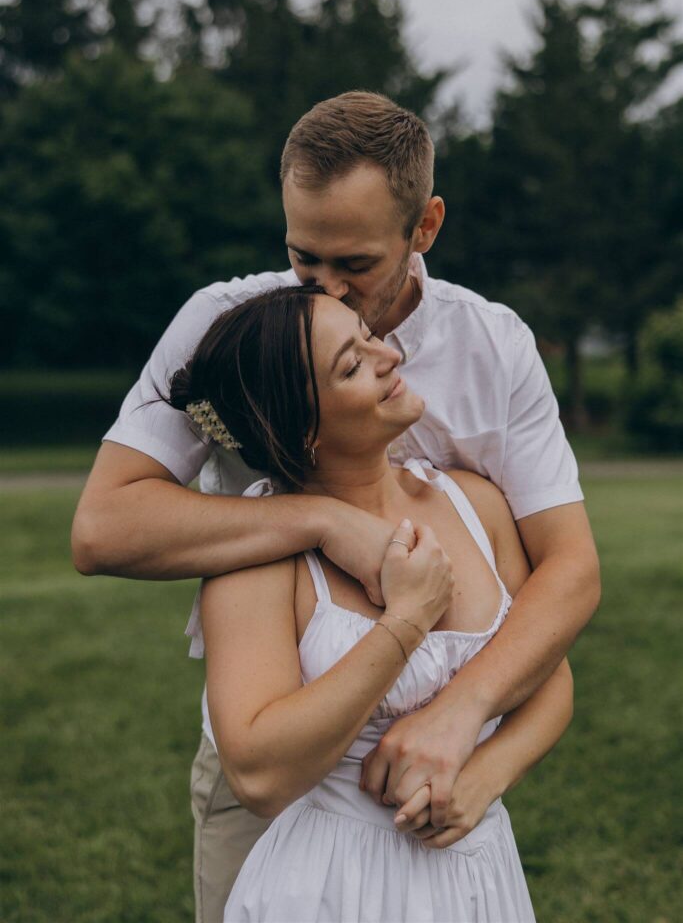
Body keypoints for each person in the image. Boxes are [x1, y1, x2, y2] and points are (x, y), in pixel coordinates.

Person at [71, 92, 599, 923]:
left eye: (351, 263)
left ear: (423, 227)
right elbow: (103, 528)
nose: (325, 288)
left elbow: (567, 573)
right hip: (278, 777)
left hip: (447, 782)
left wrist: (467, 734)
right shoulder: (232, 331)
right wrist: (321, 522)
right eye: (301, 256)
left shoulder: (493, 347)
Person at [171, 284, 572, 922]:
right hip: (333, 885)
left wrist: (485, 777)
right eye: (352, 365)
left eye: (365, 334)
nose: (387, 355)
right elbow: (256, 772)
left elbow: (549, 678)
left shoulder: (477, 505)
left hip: (477, 869)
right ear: (303, 432)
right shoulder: (259, 556)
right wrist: (405, 623)